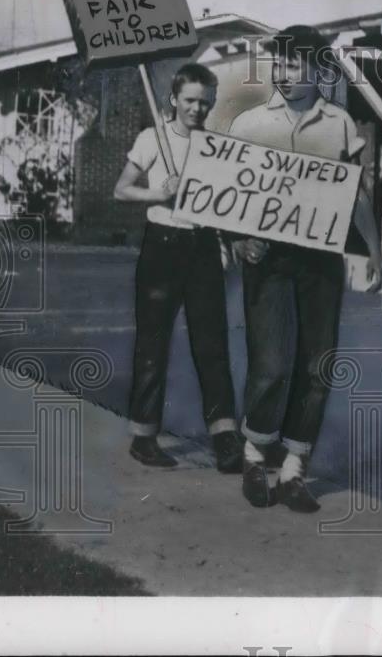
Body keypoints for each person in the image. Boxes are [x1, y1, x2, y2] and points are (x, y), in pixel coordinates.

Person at [227, 25, 382, 511]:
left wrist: (375, 249)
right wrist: (236, 239)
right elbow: (227, 195)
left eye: (294, 65)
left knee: (317, 364)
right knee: (271, 361)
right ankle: (254, 457)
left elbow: (356, 195)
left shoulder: (340, 125)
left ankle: (294, 469)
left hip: (320, 260)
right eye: (279, 64)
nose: (284, 73)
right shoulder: (250, 124)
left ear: (320, 72)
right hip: (268, 258)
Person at [113, 62, 244, 472]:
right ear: (173, 100)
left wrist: (226, 241)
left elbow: (224, 204)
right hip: (163, 247)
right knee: (153, 343)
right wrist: (157, 192)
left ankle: (224, 437)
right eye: (189, 101)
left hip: (202, 246)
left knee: (212, 344)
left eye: (204, 103)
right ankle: (144, 436)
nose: (197, 109)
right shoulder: (153, 138)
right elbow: (121, 189)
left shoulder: (214, 145)